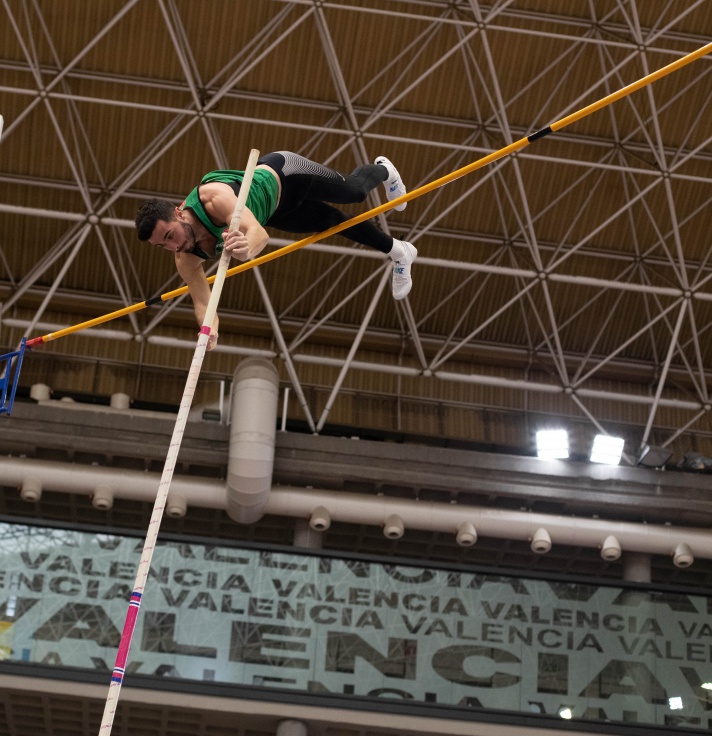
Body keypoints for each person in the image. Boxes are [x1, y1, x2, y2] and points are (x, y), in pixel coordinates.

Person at [134, 152, 417, 350]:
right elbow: (203, 303)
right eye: (163, 245)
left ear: (179, 213)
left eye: (170, 235)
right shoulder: (185, 258)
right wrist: (210, 329)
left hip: (286, 174)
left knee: (355, 191)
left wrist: (245, 250)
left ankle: (384, 170)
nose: (174, 247)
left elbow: (258, 234)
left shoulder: (212, 199)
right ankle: (400, 251)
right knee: (333, 223)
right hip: (277, 210)